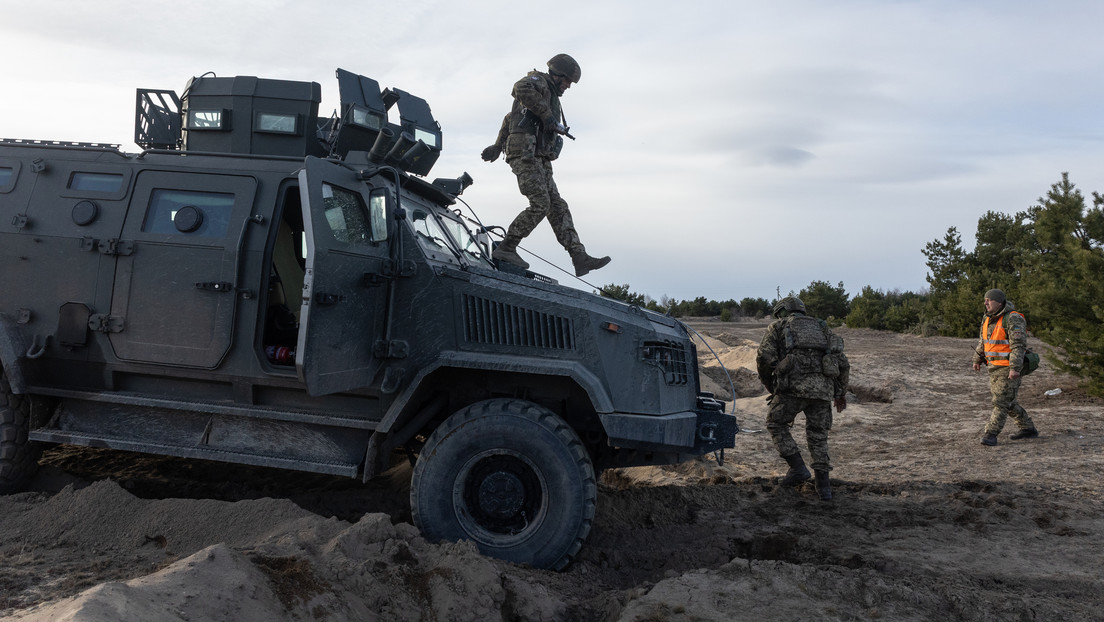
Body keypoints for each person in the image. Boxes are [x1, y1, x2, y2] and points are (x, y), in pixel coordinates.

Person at [480, 54, 610, 278]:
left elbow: (510, 117)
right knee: (541, 203)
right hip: (525, 154)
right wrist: (548, 117)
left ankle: (579, 257)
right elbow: (520, 88)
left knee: (557, 206)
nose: (568, 86)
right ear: (557, 74)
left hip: (539, 157)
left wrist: (497, 144)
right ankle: (506, 248)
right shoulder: (538, 82)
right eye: (567, 80)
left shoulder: (549, 95)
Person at [756, 296, 849, 501]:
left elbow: (764, 356)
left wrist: (770, 384)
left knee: (775, 423)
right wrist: (841, 392)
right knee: (818, 435)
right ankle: (823, 487)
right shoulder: (822, 328)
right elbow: (842, 362)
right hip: (823, 391)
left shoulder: (778, 326)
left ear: (782, 311)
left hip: (792, 390)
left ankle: (798, 469)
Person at [972, 289, 1038, 446]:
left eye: (989, 300)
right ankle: (1028, 428)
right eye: (985, 300)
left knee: (1000, 401)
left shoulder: (1013, 318)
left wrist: (1015, 368)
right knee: (1009, 402)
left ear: (999, 302)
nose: (985, 303)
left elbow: (1018, 345)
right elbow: (984, 342)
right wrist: (977, 359)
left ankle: (991, 434)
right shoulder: (987, 318)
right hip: (993, 367)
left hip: (1008, 369)